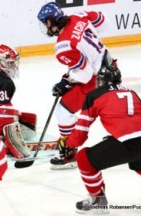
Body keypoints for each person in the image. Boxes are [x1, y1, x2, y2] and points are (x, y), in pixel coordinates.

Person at [61, 67, 141, 213]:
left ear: (101, 80)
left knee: (84, 159)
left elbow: (82, 130)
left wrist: (69, 145)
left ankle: (97, 200)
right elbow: (134, 117)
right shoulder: (131, 92)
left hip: (130, 141)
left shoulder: (94, 95)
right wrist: (118, 135)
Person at [37, 2, 118, 169]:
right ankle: (123, 136)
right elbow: (104, 23)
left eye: (45, 22)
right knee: (108, 108)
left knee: (64, 110)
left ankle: (69, 151)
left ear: (51, 22)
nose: (45, 26)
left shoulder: (62, 47)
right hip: (112, 69)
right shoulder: (79, 15)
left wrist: (67, 82)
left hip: (96, 79)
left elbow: (85, 73)